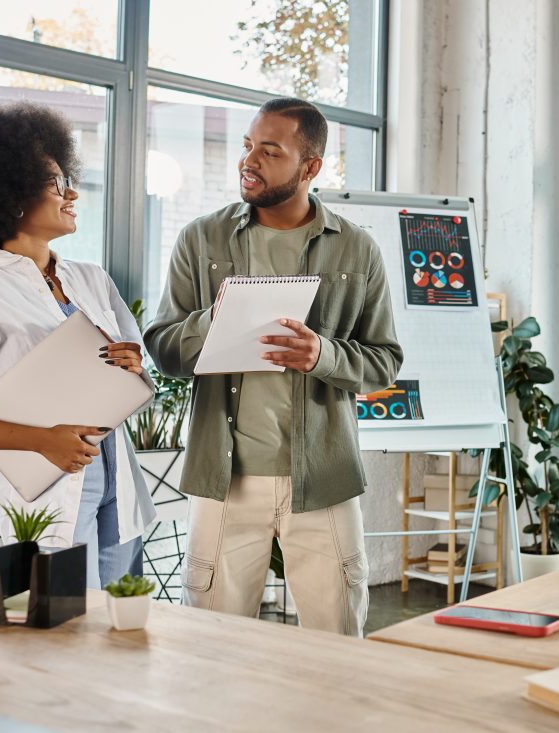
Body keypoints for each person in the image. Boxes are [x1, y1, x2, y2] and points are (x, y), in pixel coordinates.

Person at [143, 97, 402, 637]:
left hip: (323, 479)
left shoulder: (357, 250)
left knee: (335, 647)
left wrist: (322, 355)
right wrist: (211, 324)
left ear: (310, 168)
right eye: (246, 147)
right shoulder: (201, 239)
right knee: (212, 646)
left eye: (269, 150)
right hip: (224, 478)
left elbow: (384, 361)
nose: (248, 161)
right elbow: (164, 349)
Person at [0, 103, 156, 589]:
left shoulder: (92, 280)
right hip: (48, 490)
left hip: (117, 482)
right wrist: (43, 440)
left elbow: (142, 381)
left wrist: (134, 366)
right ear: (11, 194)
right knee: (60, 629)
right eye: (56, 183)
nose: (72, 193)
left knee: (116, 635)